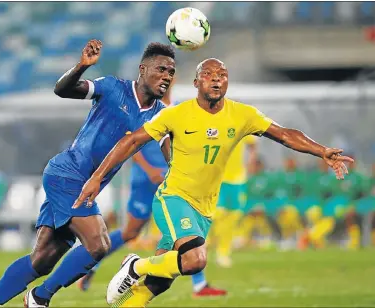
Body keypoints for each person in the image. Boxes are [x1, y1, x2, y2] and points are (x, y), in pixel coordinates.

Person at [73, 58, 354, 307]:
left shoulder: (242, 115)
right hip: (174, 198)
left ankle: (126, 300)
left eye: (222, 74)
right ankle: (136, 265)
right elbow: (133, 140)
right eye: (209, 74)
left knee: (158, 284)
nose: (217, 79)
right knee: (196, 261)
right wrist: (97, 178)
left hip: (204, 208)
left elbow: (283, 134)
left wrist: (321, 151)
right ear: (196, 82)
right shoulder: (176, 114)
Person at [0, 39, 176, 308]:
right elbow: (63, 89)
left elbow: (174, 158)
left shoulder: (161, 116)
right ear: (143, 69)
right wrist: (81, 66)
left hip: (82, 185)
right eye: (161, 69)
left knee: (42, 259)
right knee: (98, 244)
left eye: (171, 72)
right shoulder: (112, 87)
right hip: (68, 174)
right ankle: (39, 298)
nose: (167, 76)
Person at [77, 81, 227, 297]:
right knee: (131, 232)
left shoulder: (176, 110)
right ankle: (91, 266)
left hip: (171, 182)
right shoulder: (145, 110)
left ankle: (199, 284)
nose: (167, 80)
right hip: (145, 181)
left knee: (185, 230)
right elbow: (130, 143)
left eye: (171, 75)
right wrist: (150, 171)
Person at [210, 135, 256, 268]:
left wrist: (251, 161)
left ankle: (223, 253)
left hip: (238, 179)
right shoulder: (212, 119)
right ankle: (205, 243)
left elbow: (252, 144)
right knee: (218, 213)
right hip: (217, 177)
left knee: (234, 215)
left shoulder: (242, 119)